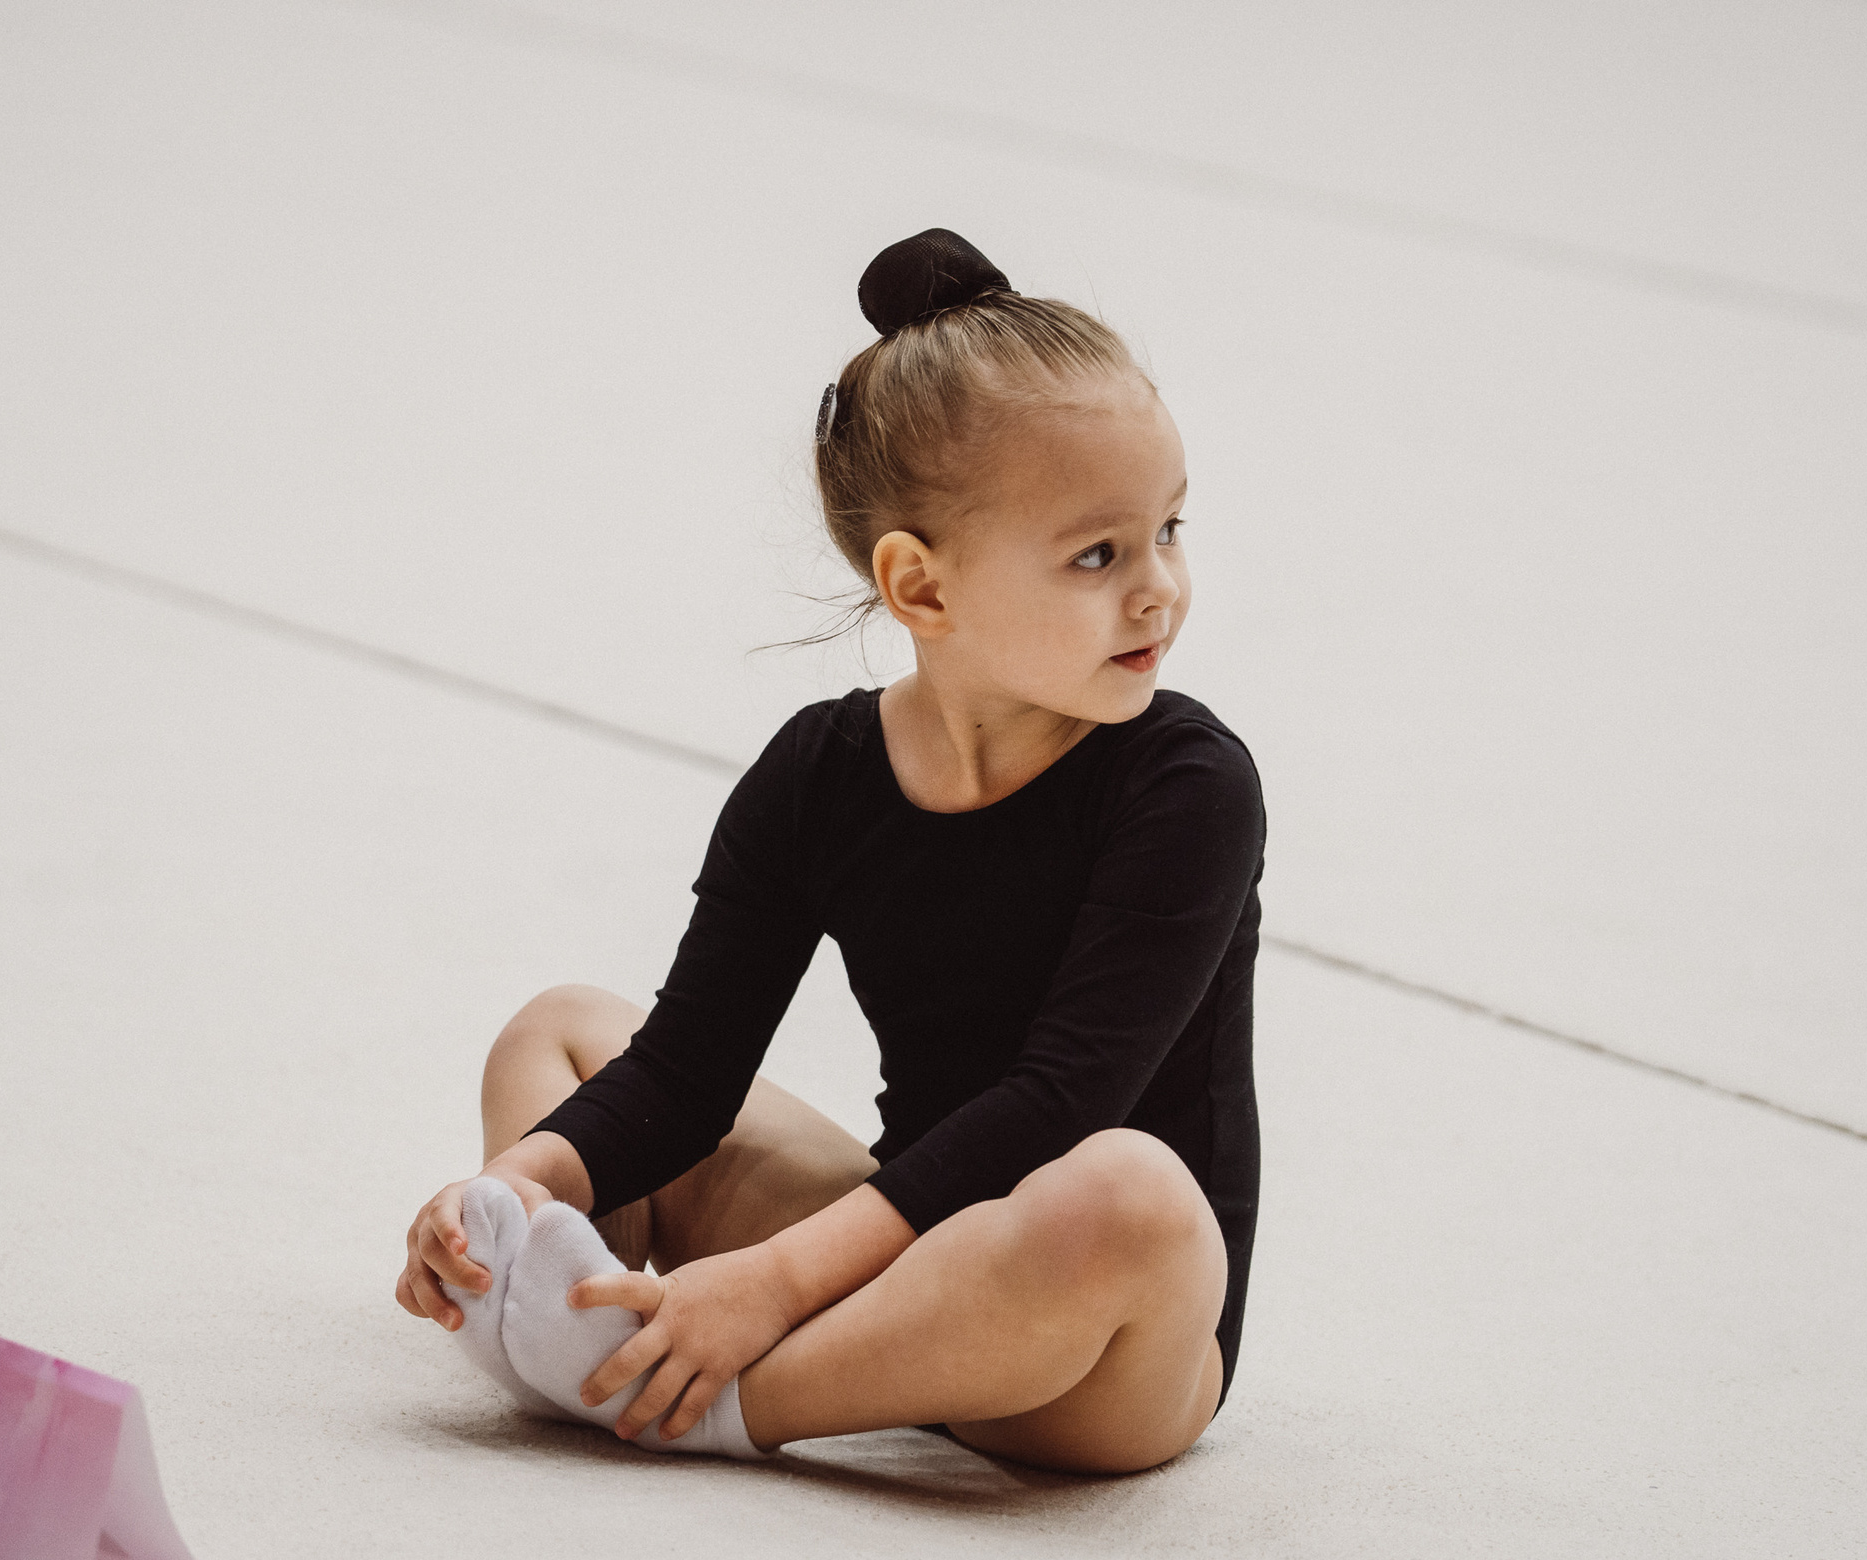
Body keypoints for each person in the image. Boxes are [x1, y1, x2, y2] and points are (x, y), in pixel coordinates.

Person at [394, 229, 1265, 1475]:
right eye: (1098, 553)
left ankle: (702, 1399)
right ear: (921, 588)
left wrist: (770, 1284)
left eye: (1168, 528)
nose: (1158, 589)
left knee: (1128, 1189)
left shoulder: (1188, 786)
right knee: (563, 1030)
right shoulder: (821, 772)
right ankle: (556, 1299)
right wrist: (510, 1188)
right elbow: (685, 1073)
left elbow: (1054, 1108)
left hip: (1091, 1340)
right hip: (902, 1257)